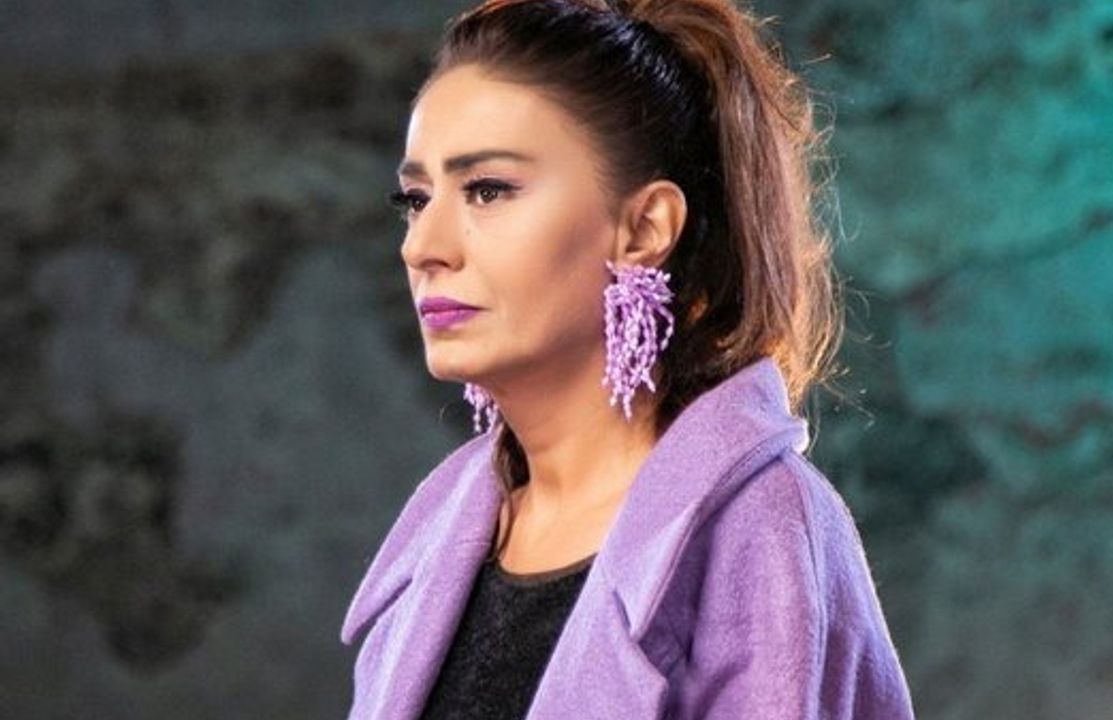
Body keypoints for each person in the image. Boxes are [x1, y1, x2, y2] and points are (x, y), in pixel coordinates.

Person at [340, 0, 916, 718]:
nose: (421, 246)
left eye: (488, 190)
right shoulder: (438, 537)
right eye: (415, 199)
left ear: (644, 228)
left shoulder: (759, 524)